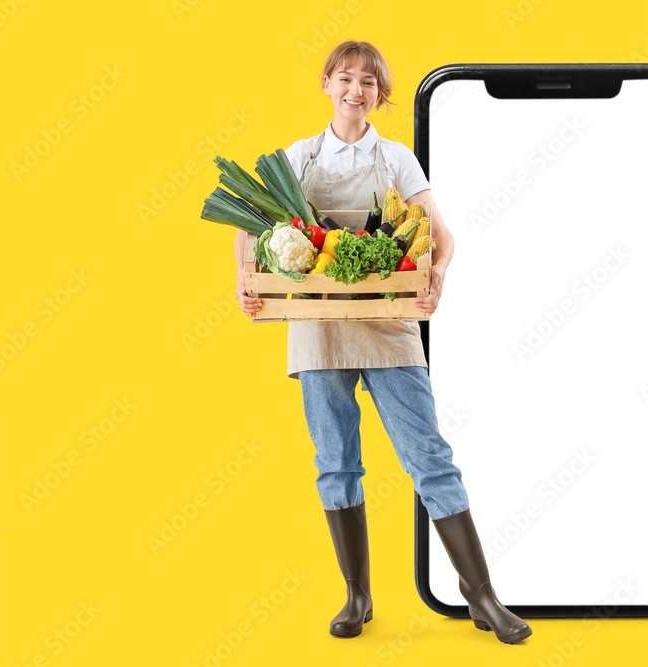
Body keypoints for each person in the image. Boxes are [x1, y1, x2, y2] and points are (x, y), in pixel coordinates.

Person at [233, 40, 531, 644]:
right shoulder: (298, 158)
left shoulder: (396, 159)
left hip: (391, 324)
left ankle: (482, 596)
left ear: (379, 94)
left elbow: (440, 236)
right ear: (326, 83)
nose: (355, 90)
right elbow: (250, 227)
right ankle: (358, 596)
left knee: (431, 459)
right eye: (346, 78)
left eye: (369, 83)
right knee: (335, 465)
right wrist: (245, 279)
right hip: (316, 330)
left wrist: (438, 277)